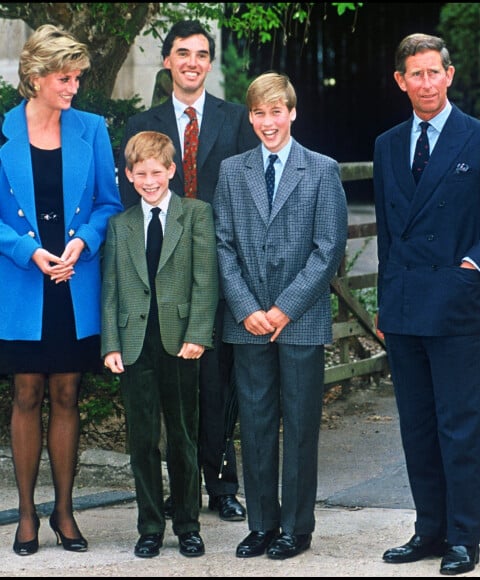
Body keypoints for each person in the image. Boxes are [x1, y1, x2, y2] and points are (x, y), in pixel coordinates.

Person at [373, 33, 480, 575]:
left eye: (434, 72)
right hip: (406, 305)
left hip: (459, 307)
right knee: (416, 427)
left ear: (450, 74)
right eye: (415, 74)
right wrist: (384, 303)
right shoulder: (388, 143)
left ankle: (464, 539)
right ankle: (428, 530)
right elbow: (391, 233)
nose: (426, 83)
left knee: (458, 428)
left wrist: (474, 263)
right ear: (401, 81)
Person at [117, 19, 258, 523]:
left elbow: (249, 194)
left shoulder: (236, 119)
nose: (192, 62)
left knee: (218, 382)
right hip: (161, 274)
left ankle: (221, 485)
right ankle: (177, 494)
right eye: (182, 53)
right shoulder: (141, 125)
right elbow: (128, 206)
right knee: (171, 383)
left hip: (223, 266)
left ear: (210, 62)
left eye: (201, 54)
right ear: (167, 61)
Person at [213, 71, 348, 560]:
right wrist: (249, 309)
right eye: (258, 112)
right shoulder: (233, 171)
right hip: (248, 322)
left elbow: (329, 248)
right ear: (249, 117)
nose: (267, 122)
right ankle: (262, 523)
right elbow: (223, 246)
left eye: (276, 111)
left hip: (301, 318)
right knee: (256, 423)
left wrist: (284, 309)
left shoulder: (321, 169)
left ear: (292, 113)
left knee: (300, 423)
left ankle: (296, 526)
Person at [0, 24, 123, 556]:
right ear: (35, 78)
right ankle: (26, 515)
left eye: (76, 78)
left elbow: (109, 203)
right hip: (24, 282)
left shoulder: (92, 129)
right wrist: (27, 250)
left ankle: (65, 512)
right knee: (26, 392)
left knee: (68, 392)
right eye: (64, 78)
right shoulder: (1, 131)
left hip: (74, 281)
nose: (73, 88)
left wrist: (84, 243)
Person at [101, 130, 218, 558]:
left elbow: (206, 280)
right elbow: (111, 288)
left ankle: (187, 524)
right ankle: (150, 525)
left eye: (157, 172)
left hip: (180, 341)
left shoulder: (196, 215)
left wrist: (198, 334)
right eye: (140, 173)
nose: (150, 181)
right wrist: (110, 344)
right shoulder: (120, 225)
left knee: (184, 438)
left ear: (172, 170)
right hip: (135, 344)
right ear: (129, 176)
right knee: (143, 440)